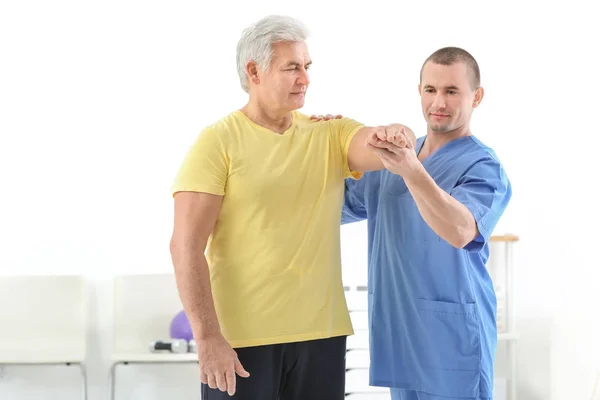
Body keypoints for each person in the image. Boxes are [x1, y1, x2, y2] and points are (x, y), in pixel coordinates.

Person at [168, 15, 414, 400]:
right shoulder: (217, 142)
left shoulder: (328, 132)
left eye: (307, 66)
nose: (305, 78)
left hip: (321, 335)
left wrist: (398, 132)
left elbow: (377, 144)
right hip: (241, 341)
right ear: (254, 71)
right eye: (292, 67)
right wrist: (208, 337)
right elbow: (185, 246)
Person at [341, 47, 512, 400]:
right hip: (401, 336)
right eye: (431, 90)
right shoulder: (388, 158)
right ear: (419, 90)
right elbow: (329, 206)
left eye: (452, 92)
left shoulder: (482, 167)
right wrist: (322, 142)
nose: (439, 102)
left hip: (453, 343)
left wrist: (411, 171)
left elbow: (461, 230)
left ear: (476, 97)